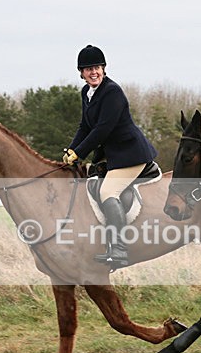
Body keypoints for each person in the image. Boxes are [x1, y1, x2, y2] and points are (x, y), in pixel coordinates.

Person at [62, 44, 158, 268]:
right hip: (113, 155)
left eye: (96, 67)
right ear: (81, 73)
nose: (93, 72)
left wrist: (81, 152)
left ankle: (119, 250)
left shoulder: (112, 92)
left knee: (108, 191)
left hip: (131, 154)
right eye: (88, 69)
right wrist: (71, 149)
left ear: (103, 68)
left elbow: (102, 129)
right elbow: (85, 126)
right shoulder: (86, 92)